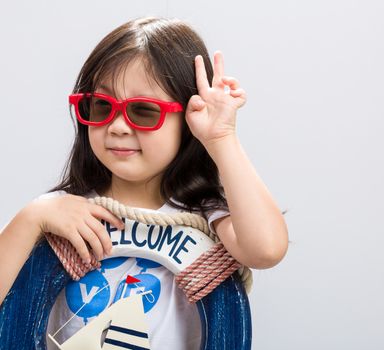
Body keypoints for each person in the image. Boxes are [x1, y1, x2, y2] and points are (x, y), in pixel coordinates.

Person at [0, 16, 288, 349]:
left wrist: (221, 137)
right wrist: (34, 215)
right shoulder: (65, 212)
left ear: (189, 120)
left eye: (143, 111)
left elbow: (266, 250)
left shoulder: (204, 215)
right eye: (101, 106)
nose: (118, 126)